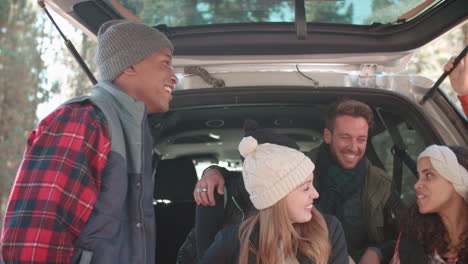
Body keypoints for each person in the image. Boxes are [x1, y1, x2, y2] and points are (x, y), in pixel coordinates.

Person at [1, 20, 178, 263]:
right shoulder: (83, 119)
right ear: (129, 66)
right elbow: (35, 237)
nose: (174, 77)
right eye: (165, 64)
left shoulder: (135, 132)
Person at [194, 99, 405, 261]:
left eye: (361, 139)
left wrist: (377, 252)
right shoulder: (299, 165)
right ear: (328, 135)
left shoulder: (378, 184)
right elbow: (262, 179)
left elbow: (408, 232)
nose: (354, 147)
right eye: (345, 137)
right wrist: (214, 171)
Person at [200, 120, 348, 264]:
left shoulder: (328, 230)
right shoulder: (231, 242)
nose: (316, 194)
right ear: (278, 196)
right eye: (306, 188)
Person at [360, 145, 468, 264]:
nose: (417, 185)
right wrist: (377, 252)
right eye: (419, 176)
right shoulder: (413, 238)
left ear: (458, 182)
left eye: (429, 175)